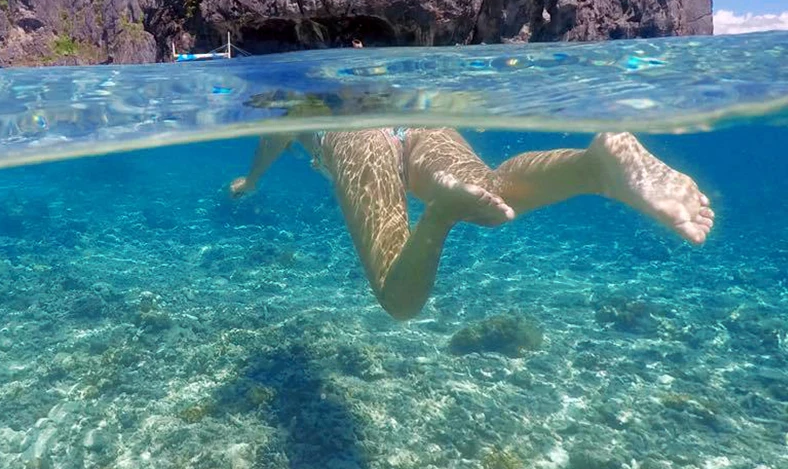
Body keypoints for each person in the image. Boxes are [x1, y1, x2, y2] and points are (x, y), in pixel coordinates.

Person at [229, 128, 713, 320]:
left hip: (357, 138)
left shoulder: (299, 98)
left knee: (399, 299)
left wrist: (251, 181)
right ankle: (593, 166)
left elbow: (274, 136)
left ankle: (440, 212)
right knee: (494, 189)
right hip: (420, 125)